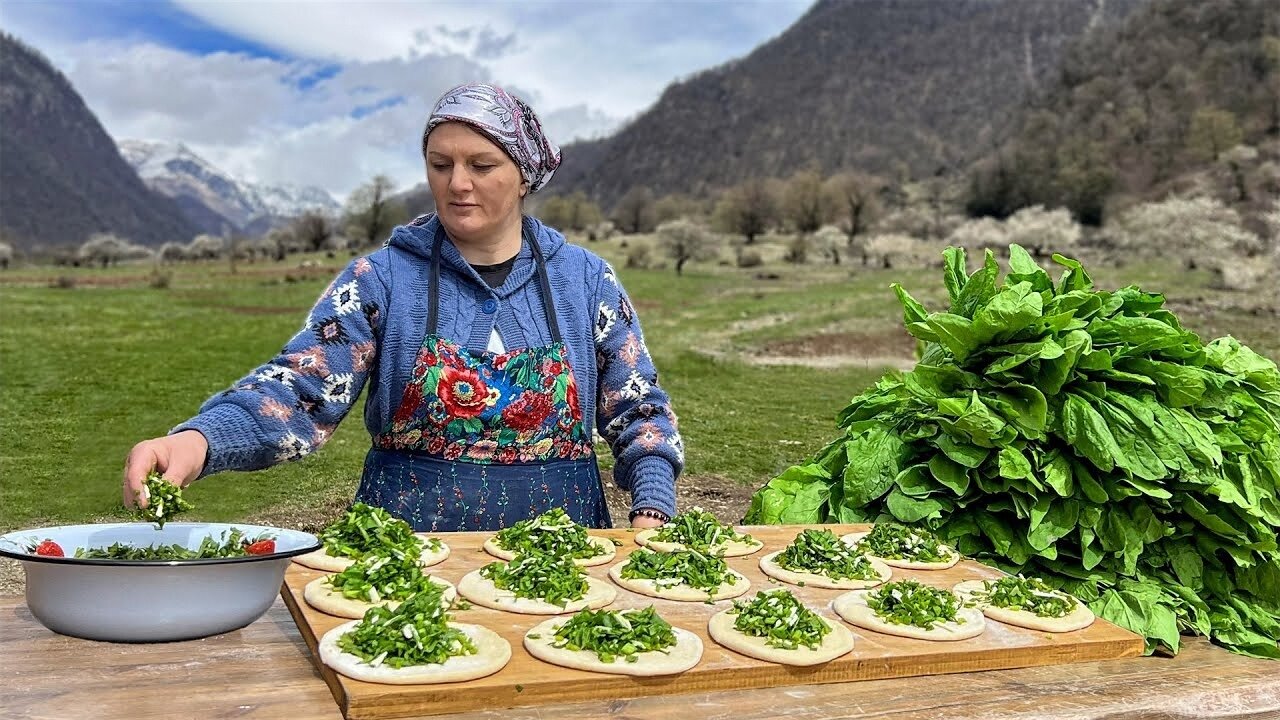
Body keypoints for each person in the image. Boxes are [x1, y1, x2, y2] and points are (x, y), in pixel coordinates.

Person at [122, 83, 682, 531]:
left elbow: (641, 411)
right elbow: (300, 389)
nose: (457, 183)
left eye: (481, 166)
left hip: (565, 556)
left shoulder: (585, 280)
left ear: (523, 176)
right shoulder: (382, 278)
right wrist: (197, 441)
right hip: (405, 561)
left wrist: (653, 507)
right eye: (441, 165)